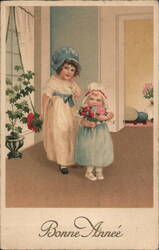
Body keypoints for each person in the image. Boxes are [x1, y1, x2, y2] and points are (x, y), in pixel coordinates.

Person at [42, 47, 81, 174]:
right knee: (61, 134)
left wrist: (74, 87)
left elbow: (77, 93)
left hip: (69, 111)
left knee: (71, 132)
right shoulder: (53, 81)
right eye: (66, 68)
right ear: (59, 67)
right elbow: (45, 97)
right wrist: (43, 112)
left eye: (72, 70)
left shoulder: (71, 82)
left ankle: (71, 159)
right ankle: (62, 162)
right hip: (57, 112)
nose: (69, 72)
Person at [75, 82, 114, 181]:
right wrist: (86, 123)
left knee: (100, 151)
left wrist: (105, 117)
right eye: (91, 99)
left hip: (100, 133)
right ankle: (89, 172)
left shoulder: (103, 110)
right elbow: (79, 120)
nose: (94, 102)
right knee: (90, 151)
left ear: (103, 102)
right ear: (87, 100)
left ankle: (99, 171)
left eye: (98, 100)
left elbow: (110, 115)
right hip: (88, 134)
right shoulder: (84, 110)